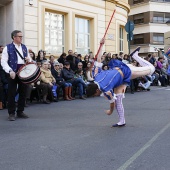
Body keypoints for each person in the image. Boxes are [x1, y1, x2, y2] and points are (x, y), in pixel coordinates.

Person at [86, 38, 155, 127]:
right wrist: (101, 45)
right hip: (119, 77)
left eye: (95, 95)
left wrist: (110, 112)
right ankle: (122, 121)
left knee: (152, 69)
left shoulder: (106, 90)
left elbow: (112, 103)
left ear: (96, 91)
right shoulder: (95, 76)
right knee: (118, 99)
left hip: (126, 72)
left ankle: (135, 56)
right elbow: (98, 60)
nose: (96, 96)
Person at [1, 30, 32, 121]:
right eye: (19, 36)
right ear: (14, 37)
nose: (21, 38)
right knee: (12, 92)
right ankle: (11, 113)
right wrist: (10, 71)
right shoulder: (8, 47)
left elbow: (29, 59)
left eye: (22, 36)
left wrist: (28, 59)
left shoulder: (24, 47)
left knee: (23, 91)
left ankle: (20, 111)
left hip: (23, 71)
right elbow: (3, 61)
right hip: (12, 71)